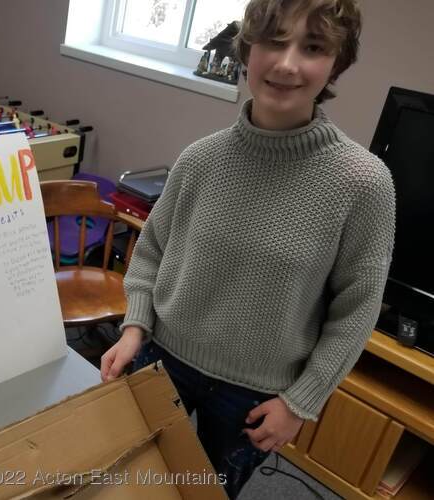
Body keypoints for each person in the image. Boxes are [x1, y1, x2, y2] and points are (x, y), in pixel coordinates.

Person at [100, 0, 395, 498]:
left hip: (254, 395)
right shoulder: (200, 159)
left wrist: (302, 402)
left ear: (336, 64)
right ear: (247, 49)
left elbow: (356, 311)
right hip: (162, 359)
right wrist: (134, 327)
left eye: (313, 46)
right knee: (132, 481)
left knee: (206, 492)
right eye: (274, 41)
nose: (287, 63)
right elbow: (150, 250)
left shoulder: (362, 183)